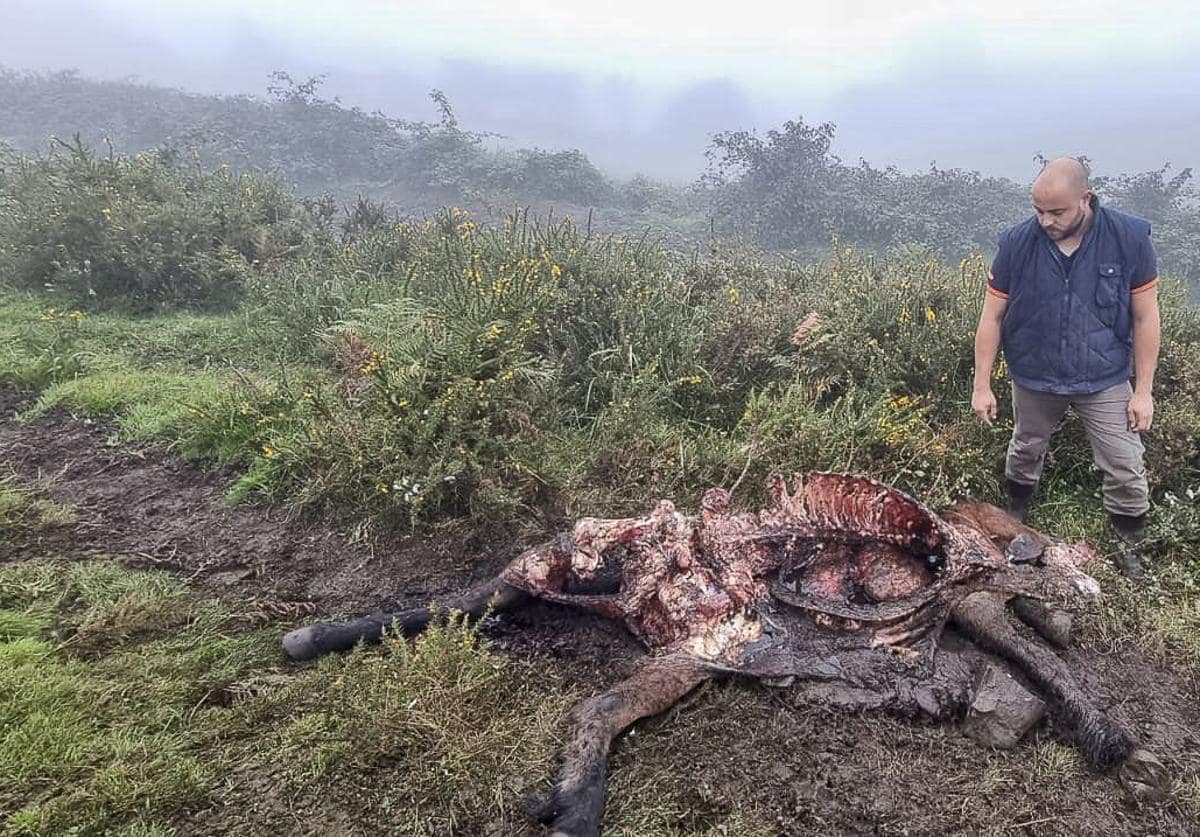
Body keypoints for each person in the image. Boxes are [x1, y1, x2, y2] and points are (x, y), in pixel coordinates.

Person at [971, 157, 1161, 579]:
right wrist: (981, 385)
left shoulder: (1129, 238)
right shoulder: (1016, 243)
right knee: (1025, 447)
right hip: (1034, 373)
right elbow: (991, 317)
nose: (1045, 221)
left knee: (1125, 463)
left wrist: (1143, 390)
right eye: (1039, 211)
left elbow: (1147, 317)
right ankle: (1017, 508)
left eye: (1056, 212)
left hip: (1105, 376)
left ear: (1085, 199)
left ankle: (1129, 542)